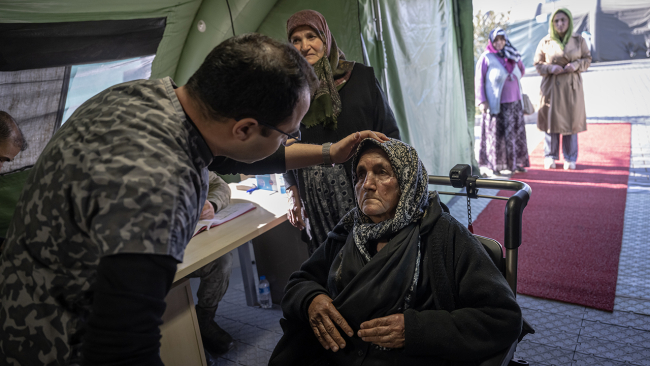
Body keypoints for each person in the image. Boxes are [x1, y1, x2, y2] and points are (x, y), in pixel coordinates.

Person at [0, 33, 388, 366]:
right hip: (51, 344)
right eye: (289, 132)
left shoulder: (145, 97)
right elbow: (122, 345)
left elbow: (232, 152)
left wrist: (328, 152)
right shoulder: (159, 184)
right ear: (245, 128)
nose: (292, 138)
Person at [270, 138, 523, 366]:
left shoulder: (443, 235)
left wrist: (416, 330)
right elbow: (299, 283)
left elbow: (503, 317)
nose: (367, 184)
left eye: (381, 172)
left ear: (406, 182)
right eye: (360, 174)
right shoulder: (349, 231)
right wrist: (312, 299)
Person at [283, 9, 401, 254]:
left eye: (311, 36)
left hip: (362, 186)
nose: (304, 46)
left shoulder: (361, 78)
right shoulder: (289, 91)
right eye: (296, 40)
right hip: (314, 200)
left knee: (373, 258)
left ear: (325, 39)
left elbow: (390, 135)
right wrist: (293, 194)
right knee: (329, 265)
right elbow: (283, 146)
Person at [534, 8, 591, 170]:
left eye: (563, 20)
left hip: (571, 88)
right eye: (556, 21)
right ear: (552, 23)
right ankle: (550, 156)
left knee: (570, 121)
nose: (559, 24)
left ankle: (570, 157)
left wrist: (576, 65)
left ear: (569, 22)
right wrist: (550, 68)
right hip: (552, 87)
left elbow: (587, 59)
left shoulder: (579, 40)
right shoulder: (545, 41)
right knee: (551, 121)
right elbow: (537, 64)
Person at [188, 172, 236, 355]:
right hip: (150, 251)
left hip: (189, 238)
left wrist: (212, 204)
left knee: (221, 260)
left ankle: (204, 320)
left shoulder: (185, 158)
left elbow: (221, 186)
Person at [475, 28, 530, 176]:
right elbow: (479, 80)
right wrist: (482, 101)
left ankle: (516, 163)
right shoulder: (486, 58)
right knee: (496, 137)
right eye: (496, 40)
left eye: (502, 39)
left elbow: (521, 70)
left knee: (515, 135)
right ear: (491, 42)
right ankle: (495, 165)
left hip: (514, 103)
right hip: (496, 106)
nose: (499, 43)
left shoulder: (512, 54)